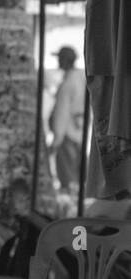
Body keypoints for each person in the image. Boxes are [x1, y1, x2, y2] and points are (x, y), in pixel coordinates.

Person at [50, 46, 86, 197]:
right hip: (79, 132)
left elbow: (62, 112)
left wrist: (57, 138)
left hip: (67, 134)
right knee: (79, 175)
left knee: (69, 180)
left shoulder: (68, 84)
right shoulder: (81, 78)